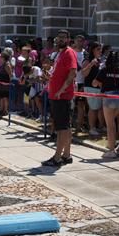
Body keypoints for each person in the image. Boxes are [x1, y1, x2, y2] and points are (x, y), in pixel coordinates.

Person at [42, 29, 77, 167]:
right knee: (65, 126)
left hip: (62, 96)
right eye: (59, 37)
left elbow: (72, 73)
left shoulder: (69, 52)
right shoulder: (59, 53)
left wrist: (61, 90)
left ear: (68, 39)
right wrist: (49, 77)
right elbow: (59, 73)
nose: (61, 40)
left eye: (64, 38)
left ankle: (57, 157)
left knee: (61, 128)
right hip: (56, 93)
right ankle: (67, 155)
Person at [93, 51, 119, 157]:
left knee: (110, 125)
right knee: (113, 122)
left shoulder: (104, 70)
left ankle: (111, 150)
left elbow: (94, 83)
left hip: (109, 97)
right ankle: (113, 144)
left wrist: (101, 84)